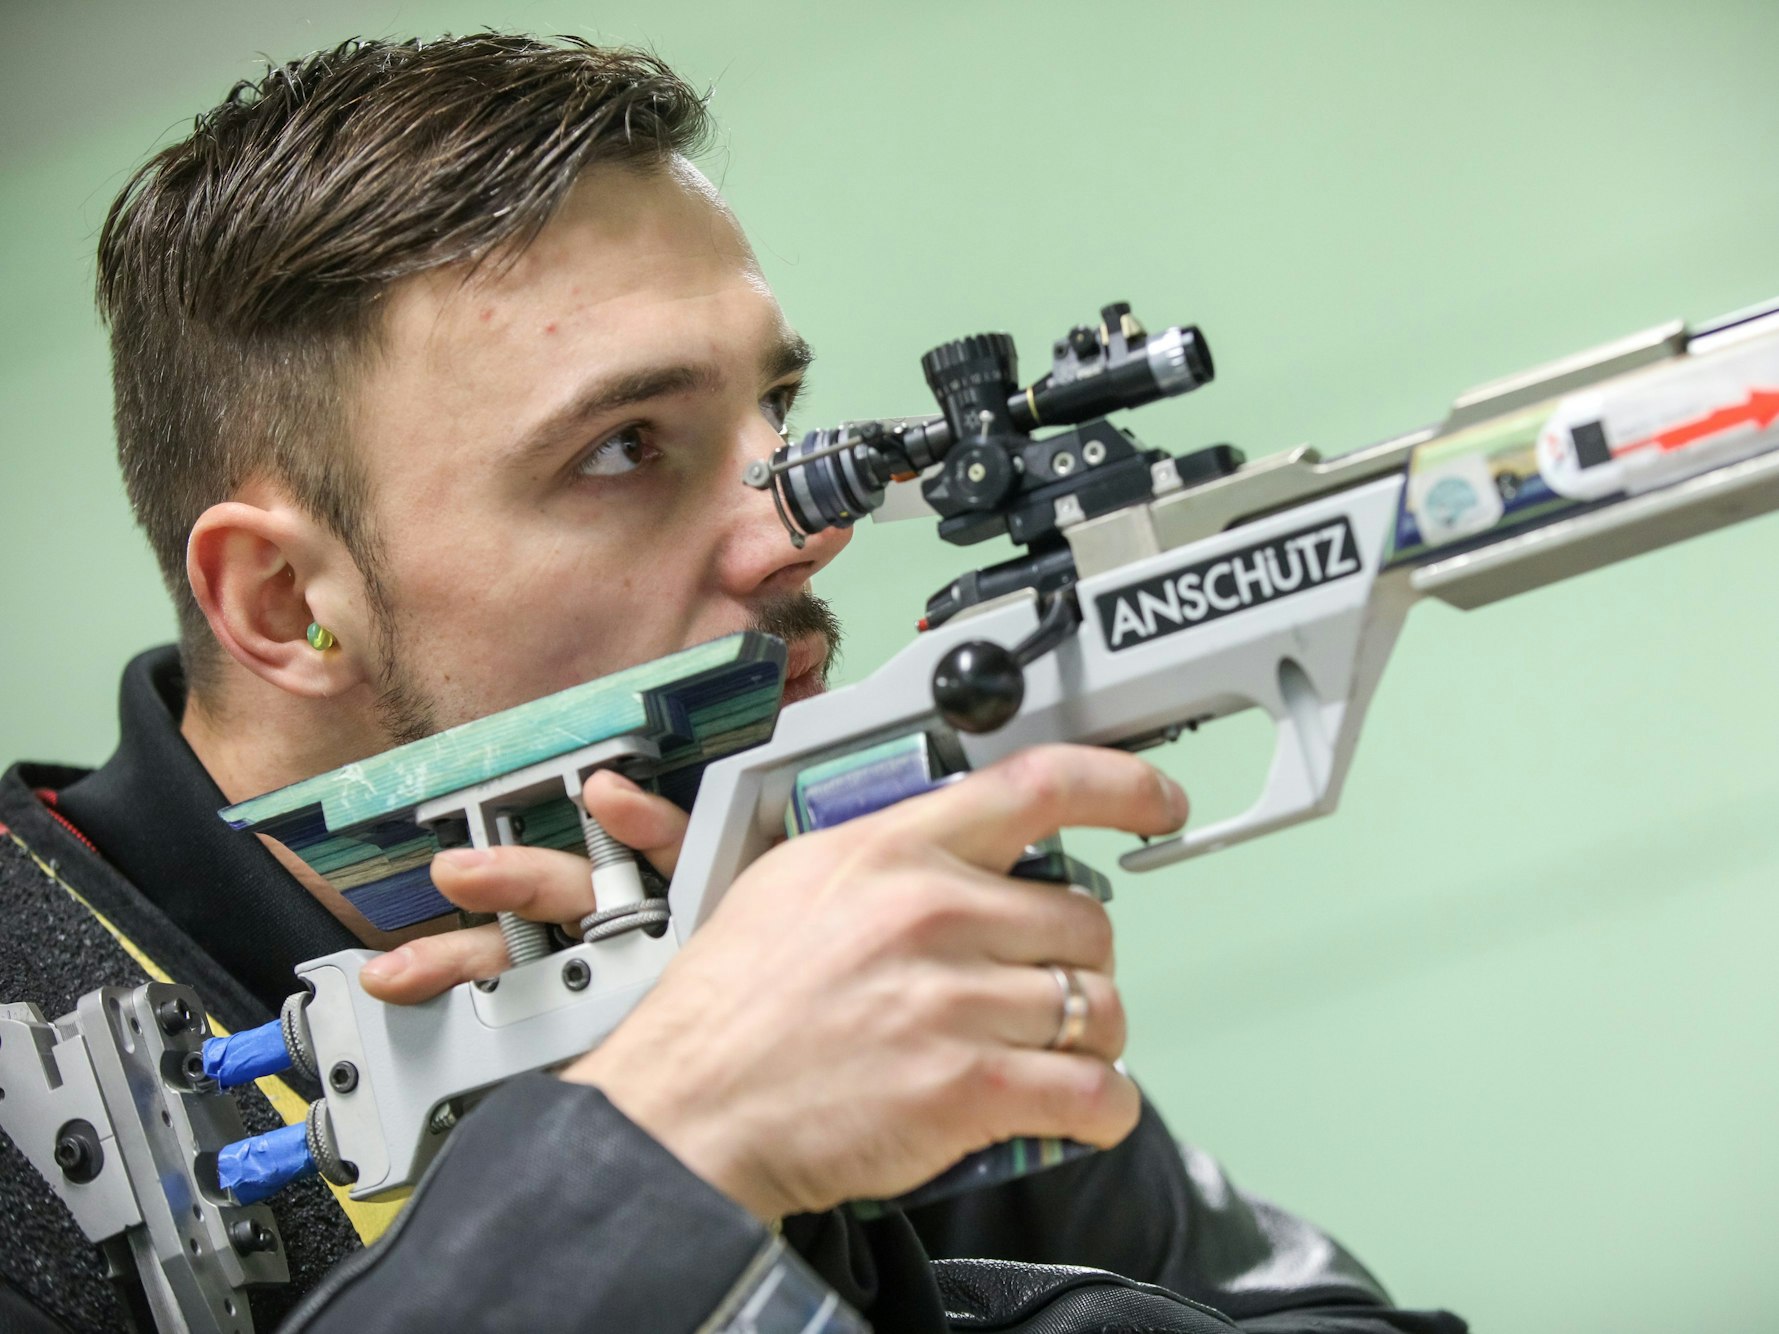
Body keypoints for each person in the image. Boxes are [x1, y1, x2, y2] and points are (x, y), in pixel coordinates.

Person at [0, 34, 1465, 1334]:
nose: (801, 522)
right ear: (286, 601)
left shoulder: (775, 892)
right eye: (626, 444)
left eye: (778, 411)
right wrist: (661, 1147)